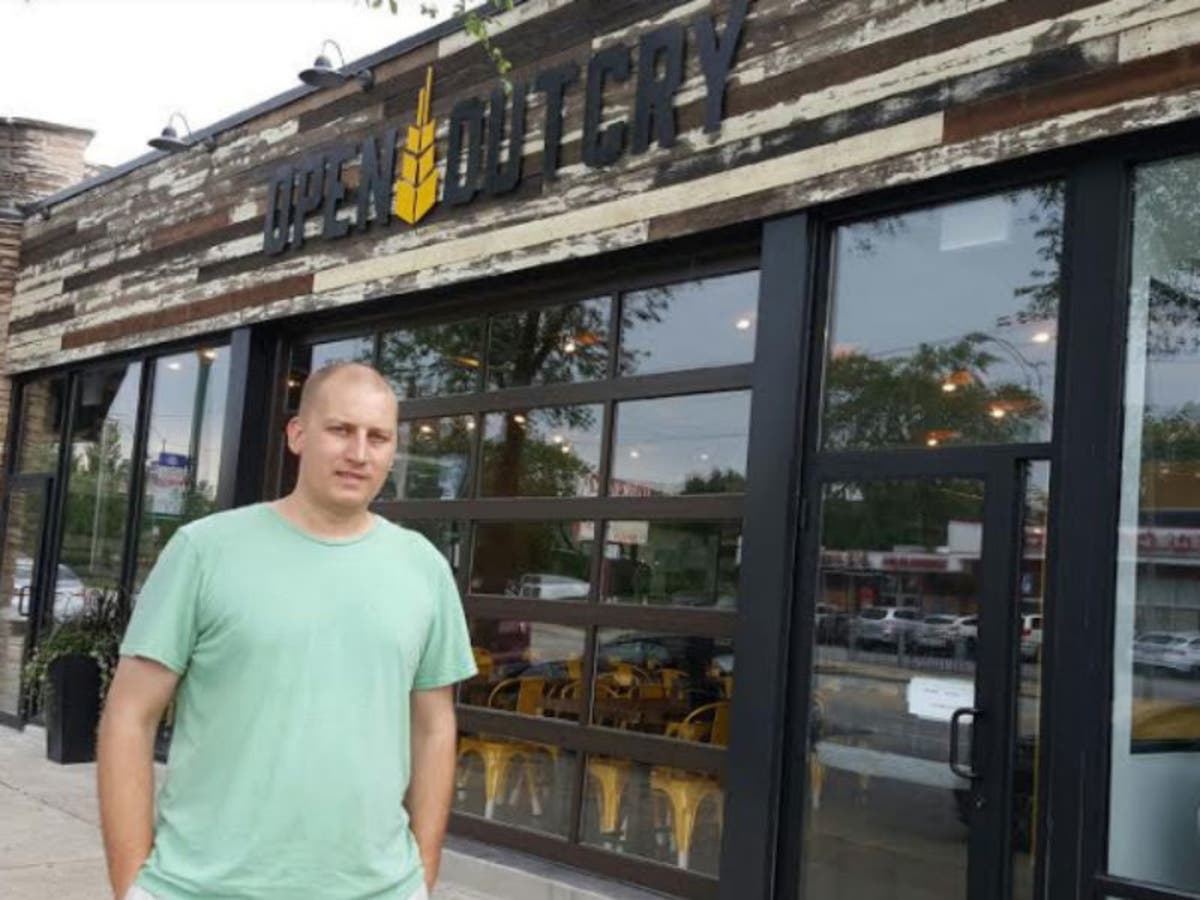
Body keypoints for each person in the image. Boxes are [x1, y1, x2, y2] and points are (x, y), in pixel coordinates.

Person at [97, 362, 477, 900]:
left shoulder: (424, 568)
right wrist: (130, 885)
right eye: (340, 430)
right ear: (297, 434)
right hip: (202, 888)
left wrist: (424, 872)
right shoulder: (204, 551)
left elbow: (434, 727)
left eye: (378, 437)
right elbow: (128, 716)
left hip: (379, 890)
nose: (359, 453)